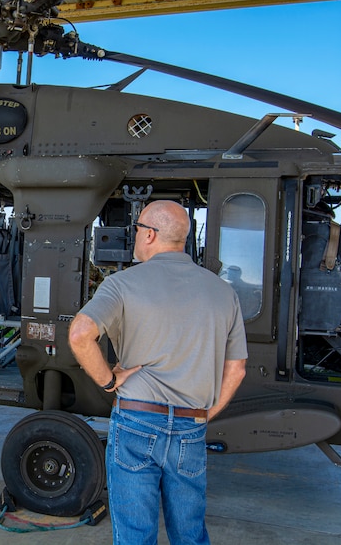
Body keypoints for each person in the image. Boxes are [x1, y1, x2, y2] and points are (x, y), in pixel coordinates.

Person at [68, 200, 248, 545]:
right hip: (191, 424)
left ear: (150, 235)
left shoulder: (122, 283)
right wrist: (206, 414)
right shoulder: (223, 292)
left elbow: (79, 334)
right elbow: (237, 368)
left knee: (135, 535)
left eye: (137, 229)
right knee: (190, 533)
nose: (134, 236)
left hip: (137, 419)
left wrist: (108, 380)